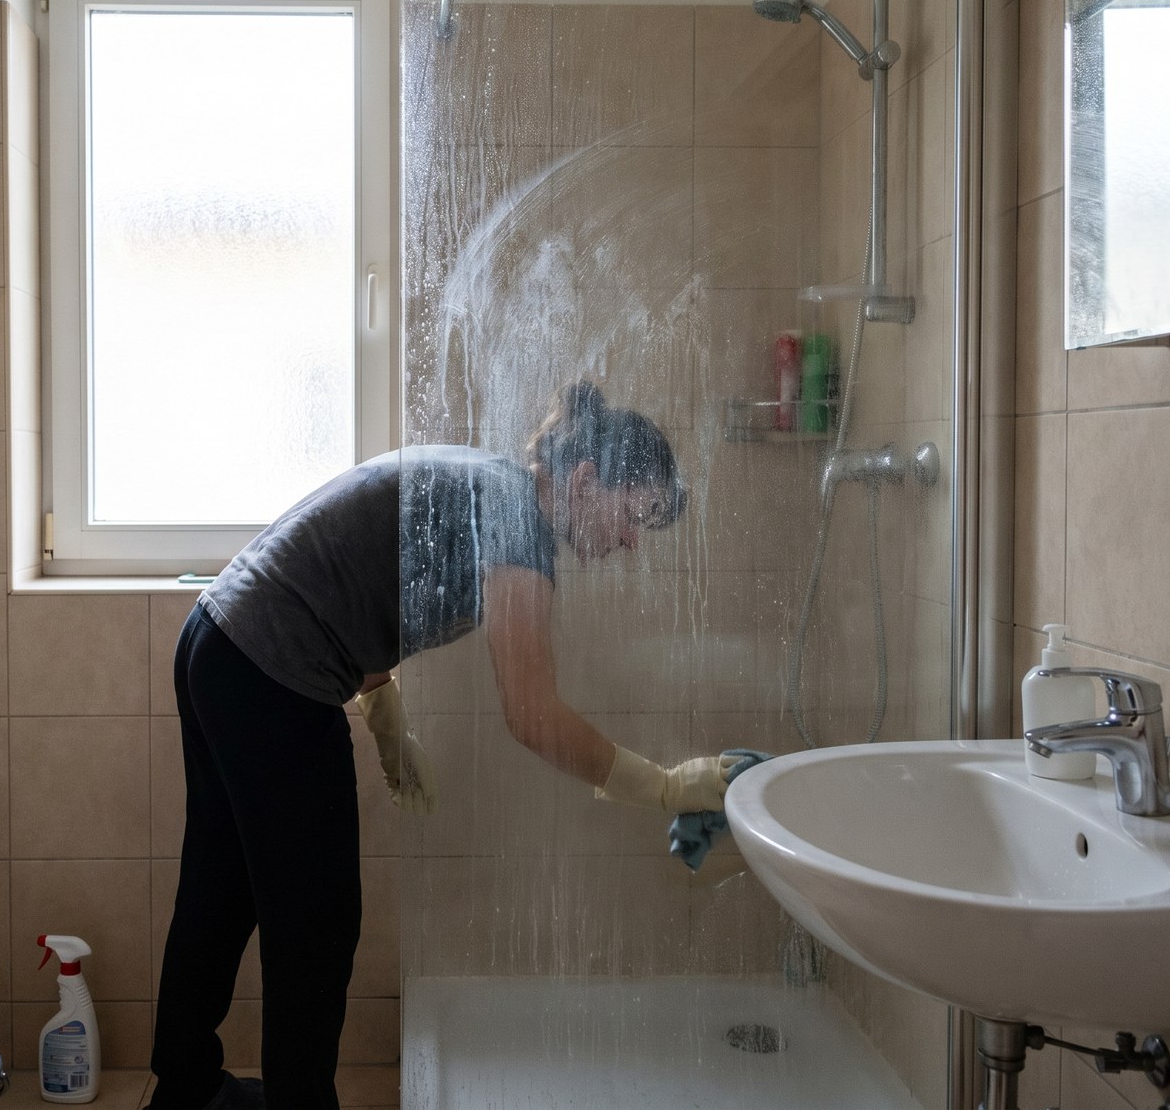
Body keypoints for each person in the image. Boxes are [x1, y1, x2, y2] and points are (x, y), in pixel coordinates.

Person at [147, 382, 737, 1110]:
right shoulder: (518, 519)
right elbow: (533, 715)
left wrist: (382, 707)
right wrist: (668, 787)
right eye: (633, 515)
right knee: (317, 927)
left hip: (217, 642)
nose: (627, 542)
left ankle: (185, 1086)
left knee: (221, 885)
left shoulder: (492, 485)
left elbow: (362, 575)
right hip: (270, 668)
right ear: (586, 481)